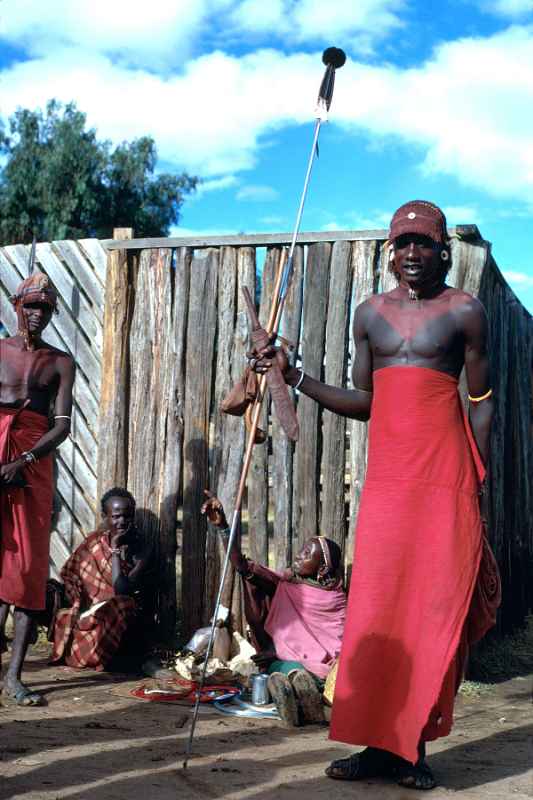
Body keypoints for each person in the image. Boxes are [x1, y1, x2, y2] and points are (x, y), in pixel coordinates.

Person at [250, 201, 500, 789]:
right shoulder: (369, 315)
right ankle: (375, 745)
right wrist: (296, 378)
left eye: (424, 244)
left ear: (444, 250)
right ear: (391, 251)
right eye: (403, 244)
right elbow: (365, 403)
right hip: (389, 482)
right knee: (380, 611)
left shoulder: (466, 311)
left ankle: (411, 748)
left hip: (445, 478)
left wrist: (477, 481)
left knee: (429, 610)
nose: (412, 254)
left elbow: (481, 403)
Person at [201, 490, 347, 726]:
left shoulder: (336, 600)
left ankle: (296, 692)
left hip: (327, 670)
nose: (299, 556)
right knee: (285, 668)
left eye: (307, 554)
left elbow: (339, 641)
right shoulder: (285, 584)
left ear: (321, 569)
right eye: (302, 550)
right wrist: (223, 527)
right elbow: (242, 565)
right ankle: (296, 690)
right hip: (287, 660)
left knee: (291, 672)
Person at [0, 272, 75, 706]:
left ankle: (14, 676)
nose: (36, 315)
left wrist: (23, 461)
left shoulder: (60, 361)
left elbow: (61, 426)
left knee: (28, 569)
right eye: (30, 306)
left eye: (44, 309)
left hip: (31, 465)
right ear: (16, 306)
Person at [51, 488, 153, 672]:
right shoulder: (94, 541)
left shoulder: (140, 548)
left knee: (121, 604)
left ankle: (104, 658)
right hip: (86, 609)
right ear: (105, 516)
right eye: (116, 517)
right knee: (46, 591)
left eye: (127, 516)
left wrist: (115, 550)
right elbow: (69, 573)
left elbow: (120, 590)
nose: (122, 522)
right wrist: (75, 601)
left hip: (117, 615)